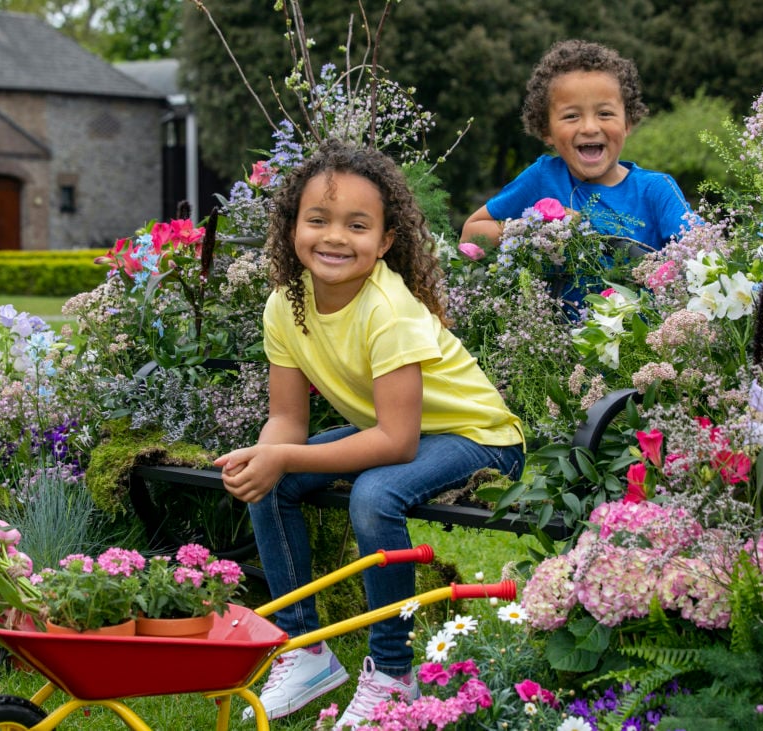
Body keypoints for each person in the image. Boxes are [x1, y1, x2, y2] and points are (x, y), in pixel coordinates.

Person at [214, 138, 525, 726]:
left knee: (375, 492)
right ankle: (304, 650)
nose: (335, 237)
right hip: (398, 435)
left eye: (357, 225)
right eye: (318, 220)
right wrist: (268, 453)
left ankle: (393, 675)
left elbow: (396, 444)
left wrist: (283, 454)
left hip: (479, 437)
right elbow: (288, 422)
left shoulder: (391, 310)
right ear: (291, 228)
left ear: (384, 241)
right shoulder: (286, 304)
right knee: (270, 478)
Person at [460, 39, 693, 312]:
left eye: (605, 113)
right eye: (571, 116)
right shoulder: (542, 178)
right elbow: (469, 238)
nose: (590, 127)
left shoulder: (656, 190)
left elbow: (702, 255)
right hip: (552, 346)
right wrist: (535, 226)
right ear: (546, 130)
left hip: (641, 347)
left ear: (628, 122)